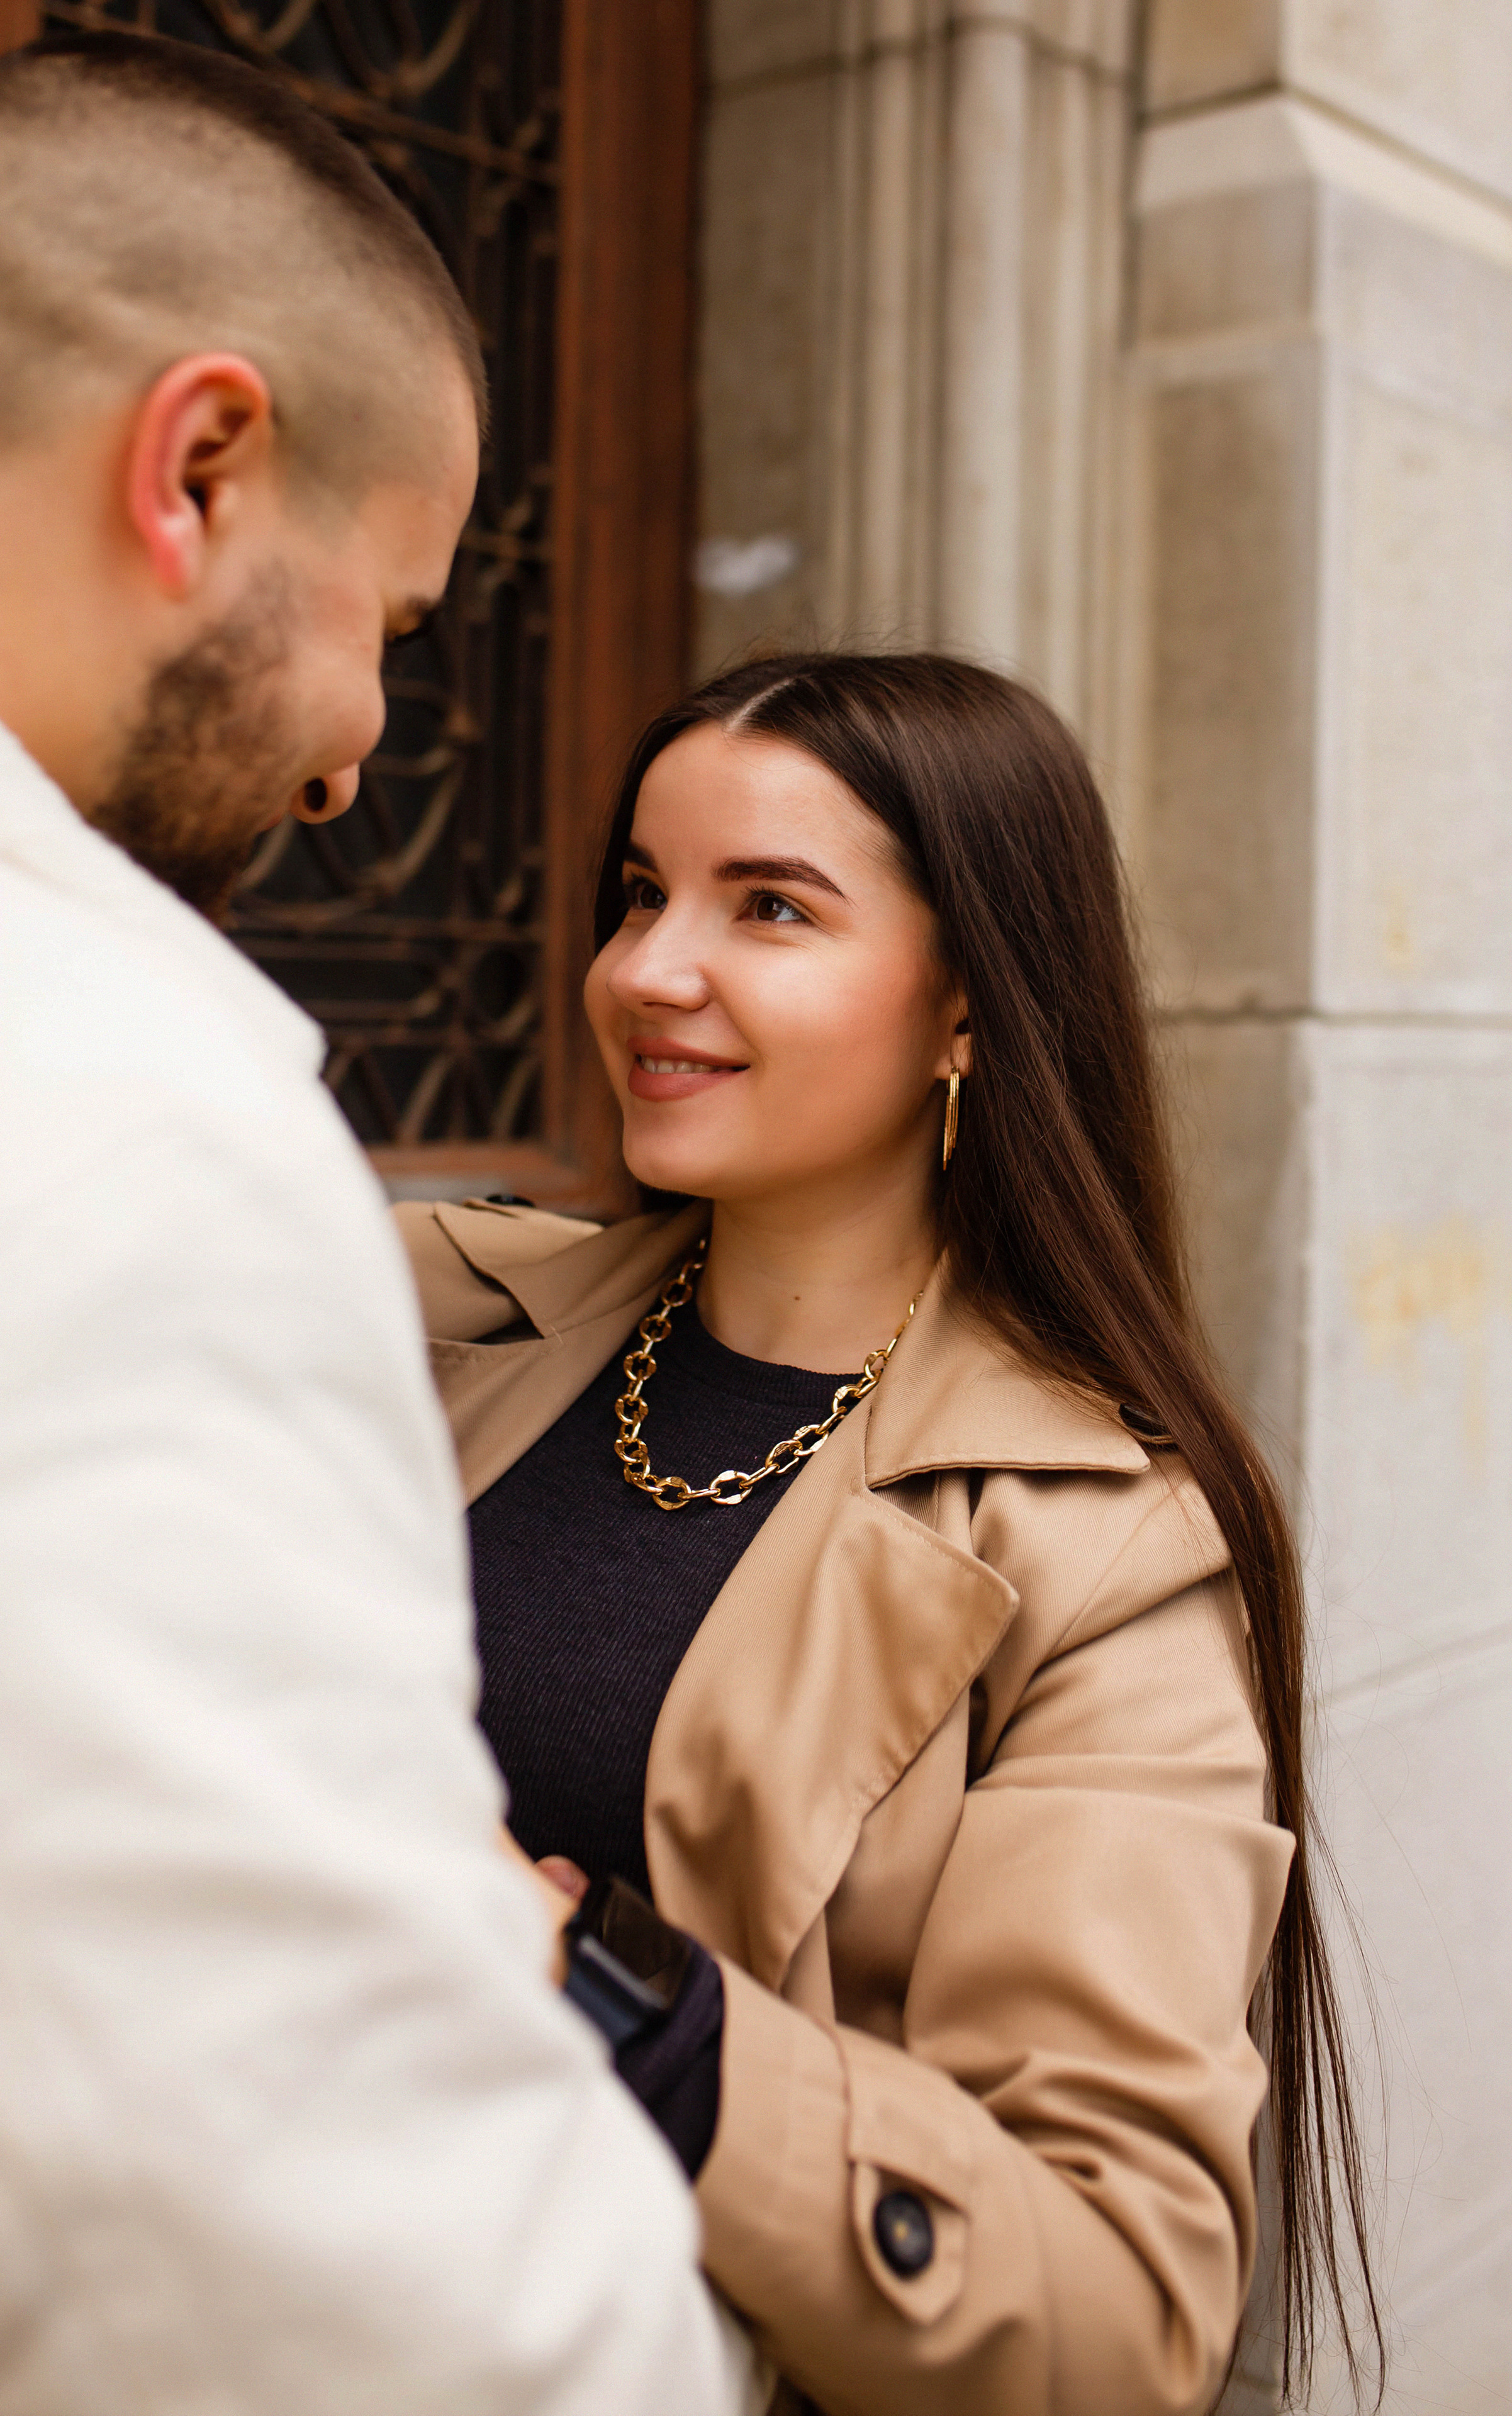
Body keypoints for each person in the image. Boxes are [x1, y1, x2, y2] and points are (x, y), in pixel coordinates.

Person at [0, 31, 744, 2415]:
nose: (357, 762)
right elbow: (385, 2290)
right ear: (199, 466)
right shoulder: (145, 1122)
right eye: (400, 628)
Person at [400, 652, 1385, 2416]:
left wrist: (614, 1996)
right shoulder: (440, 1316)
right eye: (642, 892)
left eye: (768, 907)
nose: (645, 971)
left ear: (966, 1011)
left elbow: (1119, 2298)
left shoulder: (1107, 1555)